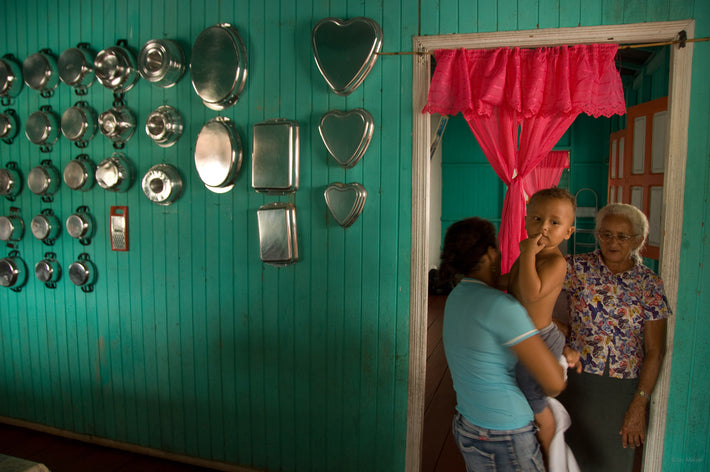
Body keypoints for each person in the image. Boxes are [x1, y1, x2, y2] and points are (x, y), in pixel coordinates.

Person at [440, 217, 566, 472]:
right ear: (488, 254)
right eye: (495, 248)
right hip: (505, 432)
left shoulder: (458, 296)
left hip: (468, 425)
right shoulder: (501, 306)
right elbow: (553, 383)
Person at [557, 203, 671, 472]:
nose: (612, 242)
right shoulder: (577, 268)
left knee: (612, 462)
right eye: (606, 234)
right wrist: (555, 326)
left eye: (622, 236)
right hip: (576, 379)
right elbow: (529, 289)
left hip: (623, 390)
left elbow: (656, 351)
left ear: (639, 240)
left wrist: (639, 404)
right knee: (569, 457)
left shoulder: (649, 283)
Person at [506, 187, 580, 464]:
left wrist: (526, 255)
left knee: (531, 393)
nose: (544, 228)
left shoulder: (554, 261)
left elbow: (530, 293)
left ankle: (552, 447)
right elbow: (511, 284)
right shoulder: (531, 256)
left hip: (541, 338)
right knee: (518, 388)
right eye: (536, 219)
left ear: (568, 232)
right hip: (525, 337)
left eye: (554, 222)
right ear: (525, 221)